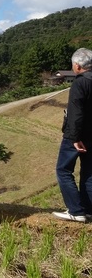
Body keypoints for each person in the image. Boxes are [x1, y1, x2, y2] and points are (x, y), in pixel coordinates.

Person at [53, 48, 92, 223]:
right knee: (89, 173)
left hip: (78, 135)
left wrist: (74, 138)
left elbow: (76, 113)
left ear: (77, 66)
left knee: (63, 170)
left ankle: (76, 211)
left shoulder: (80, 83)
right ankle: (89, 210)